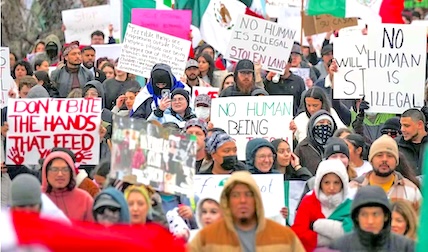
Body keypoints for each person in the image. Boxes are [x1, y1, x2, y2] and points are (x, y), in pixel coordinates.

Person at [189, 171, 305, 251]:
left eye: (248, 194)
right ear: (227, 200)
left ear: (257, 199)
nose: (242, 200)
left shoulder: (283, 236)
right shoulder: (205, 238)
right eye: (235, 195)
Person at [292, 160, 353, 251]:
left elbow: (353, 234)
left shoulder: (350, 204)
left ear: (343, 184)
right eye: (326, 182)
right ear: (319, 183)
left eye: (336, 182)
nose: (331, 187)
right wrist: (329, 239)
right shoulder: (308, 201)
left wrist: (316, 225)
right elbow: (299, 232)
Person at [349, 135, 422, 211]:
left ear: (396, 161)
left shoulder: (410, 190)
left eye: (390, 156)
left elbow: (422, 220)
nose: (384, 159)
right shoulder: (353, 188)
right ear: (371, 160)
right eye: (379, 155)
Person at [330, 186, 415, 251]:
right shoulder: (339, 246)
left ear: (385, 216)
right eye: (364, 214)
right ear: (356, 217)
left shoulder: (406, 247)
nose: (370, 221)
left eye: (376, 214)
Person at [41, 151, 94, 222]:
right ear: (46, 172)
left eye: (65, 169)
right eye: (54, 169)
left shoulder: (85, 199)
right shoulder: (36, 197)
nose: (60, 174)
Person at [294, 110, 337, 175]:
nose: (325, 125)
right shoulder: (303, 147)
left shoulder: (336, 146)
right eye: (321, 122)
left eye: (329, 123)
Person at [397, 108, 428, 176]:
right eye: (401, 125)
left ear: (420, 124)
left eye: (406, 126)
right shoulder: (395, 146)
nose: (402, 129)